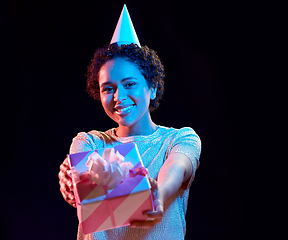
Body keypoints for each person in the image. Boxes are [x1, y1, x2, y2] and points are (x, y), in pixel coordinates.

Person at [58, 5, 201, 240]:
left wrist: (158, 194)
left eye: (130, 84)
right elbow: (83, 182)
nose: (118, 97)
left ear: (152, 88)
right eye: (108, 88)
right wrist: (72, 176)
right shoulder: (90, 142)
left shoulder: (180, 139)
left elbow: (175, 169)